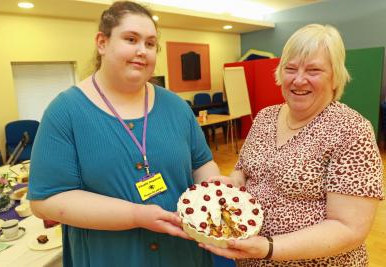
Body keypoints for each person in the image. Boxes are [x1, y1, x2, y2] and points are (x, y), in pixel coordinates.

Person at [27, 1, 220, 266]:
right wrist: (134, 215)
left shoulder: (175, 106)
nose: (142, 51)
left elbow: (202, 163)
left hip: (182, 252)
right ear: (102, 42)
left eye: (151, 44)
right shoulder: (65, 112)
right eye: (131, 39)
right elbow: (45, 200)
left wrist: (215, 190)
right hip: (110, 255)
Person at [201, 24, 384, 266]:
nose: (299, 80)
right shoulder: (265, 117)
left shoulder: (351, 130)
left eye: (314, 70)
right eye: (290, 68)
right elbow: (243, 172)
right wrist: (232, 184)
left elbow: (348, 228)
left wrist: (268, 248)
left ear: (335, 76)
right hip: (250, 258)